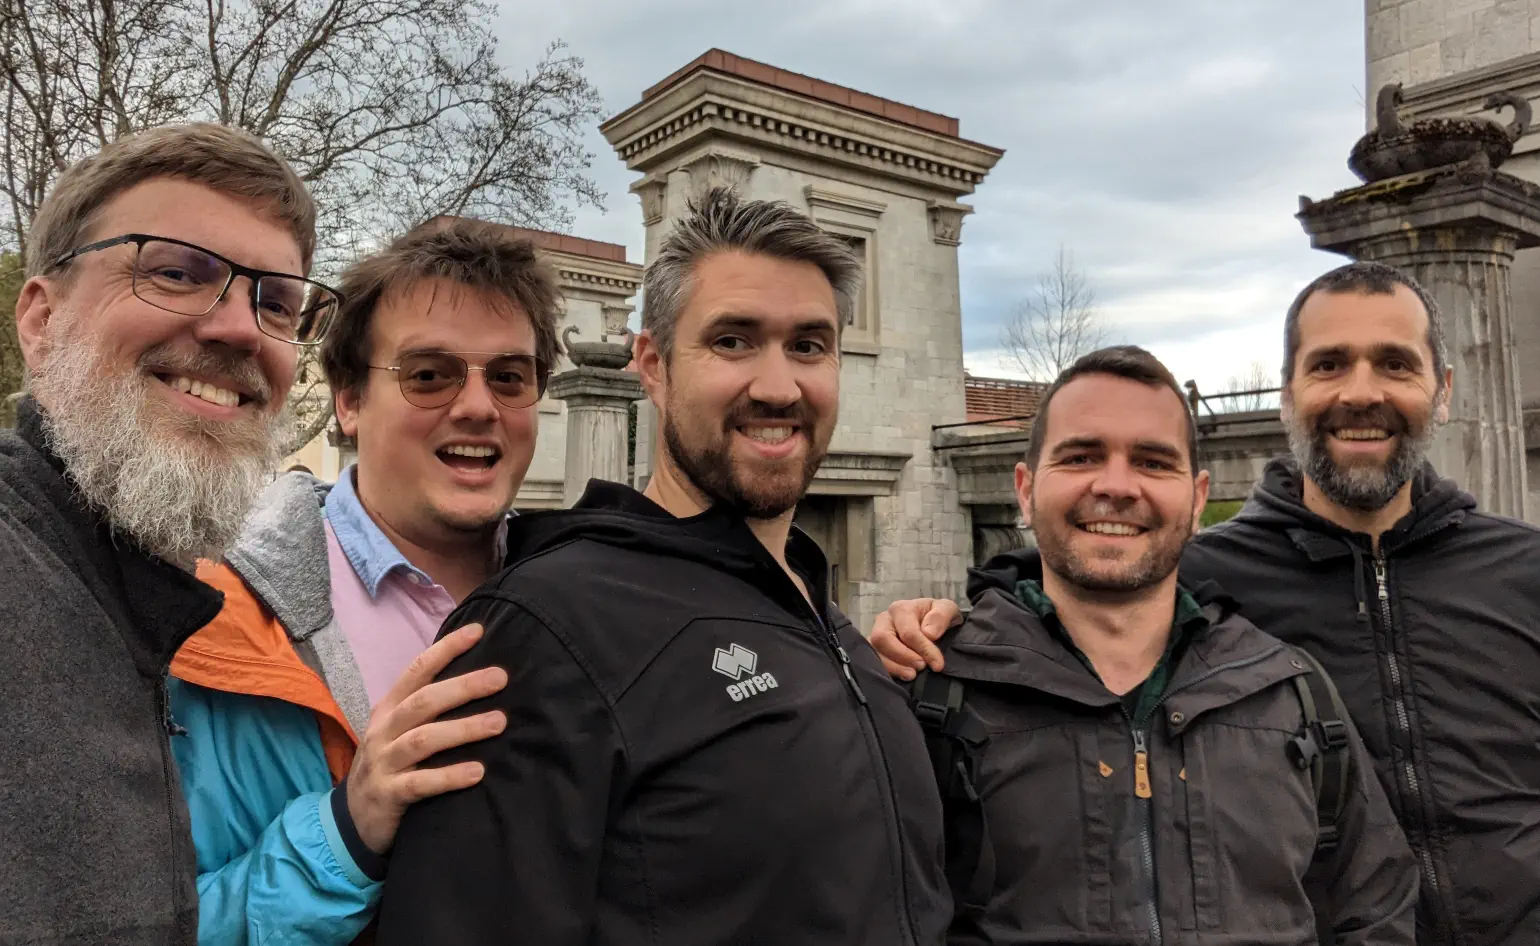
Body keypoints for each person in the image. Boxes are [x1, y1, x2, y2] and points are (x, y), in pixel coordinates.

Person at [871, 262, 1540, 945]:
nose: (1360, 392)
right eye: (1329, 364)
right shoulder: (1204, 568)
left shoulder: (1527, 571)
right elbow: (1089, 570)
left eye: (1395, 364)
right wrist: (948, 616)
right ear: (1289, 395)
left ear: (1444, 389)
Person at [375, 188, 951, 945]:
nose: (778, 386)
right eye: (734, 342)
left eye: (809, 345)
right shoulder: (544, 627)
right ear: (652, 363)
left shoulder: (824, 617)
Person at [909, 345, 1417, 944]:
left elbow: (1376, 908)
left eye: (1153, 462)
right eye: (1081, 456)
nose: (1117, 486)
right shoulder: (932, 697)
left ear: (1198, 499)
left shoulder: (1292, 695)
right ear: (1025, 488)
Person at [167, 218, 562, 943]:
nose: (477, 406)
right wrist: (347, 833)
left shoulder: (582, 594)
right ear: (348, 400)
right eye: (429, 375)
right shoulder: (202, 618)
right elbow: (156, 921)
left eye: (509, 376)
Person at [0, 123, 330, 944]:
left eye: (277, 303)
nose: (240, 329)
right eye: (177, 273)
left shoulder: (140, 593)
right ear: (41, 322)